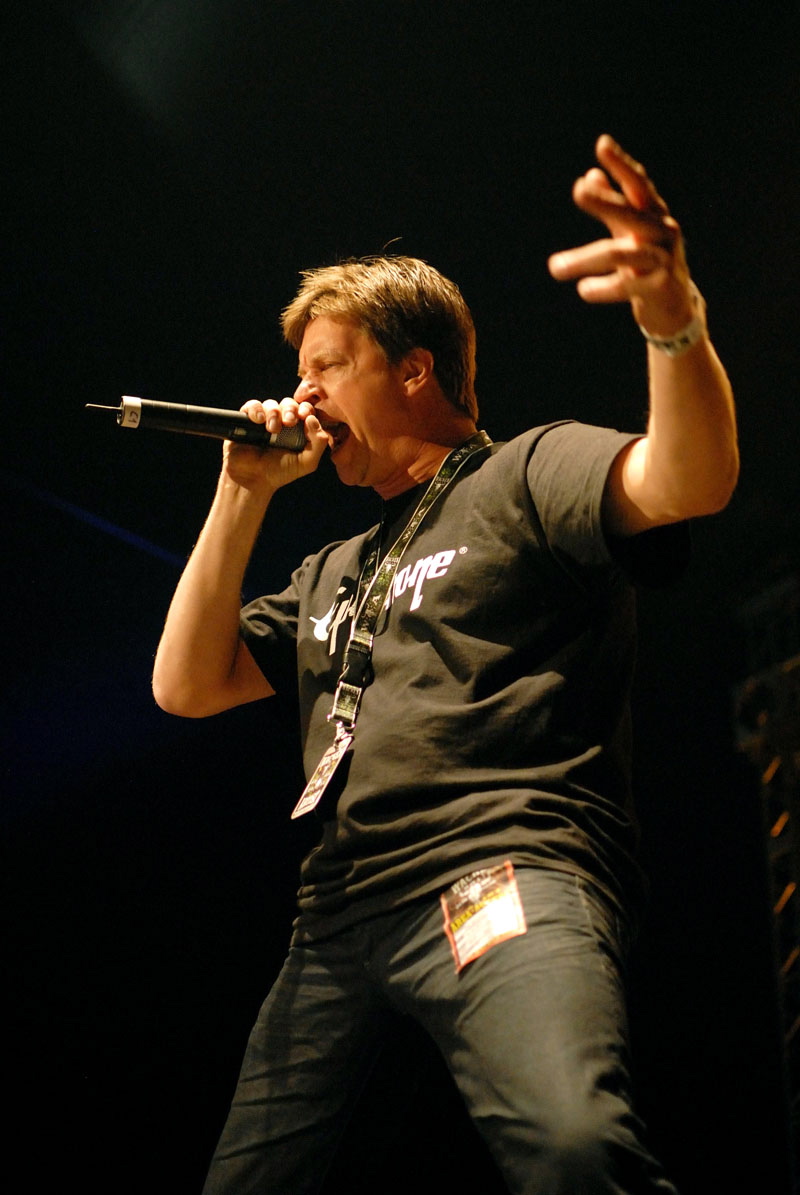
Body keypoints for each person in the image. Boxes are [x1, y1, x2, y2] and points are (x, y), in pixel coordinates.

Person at [153, 135, 738, 1194]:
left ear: (413, 368)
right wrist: (240, 491)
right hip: (334, 919)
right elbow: (184, 686)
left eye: (327, 365)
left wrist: (670, 314)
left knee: (569, 1145)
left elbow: (688, 480)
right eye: (300, 373)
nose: (304, 394)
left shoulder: (522, 473)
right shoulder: (331, 566)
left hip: (499, 869)